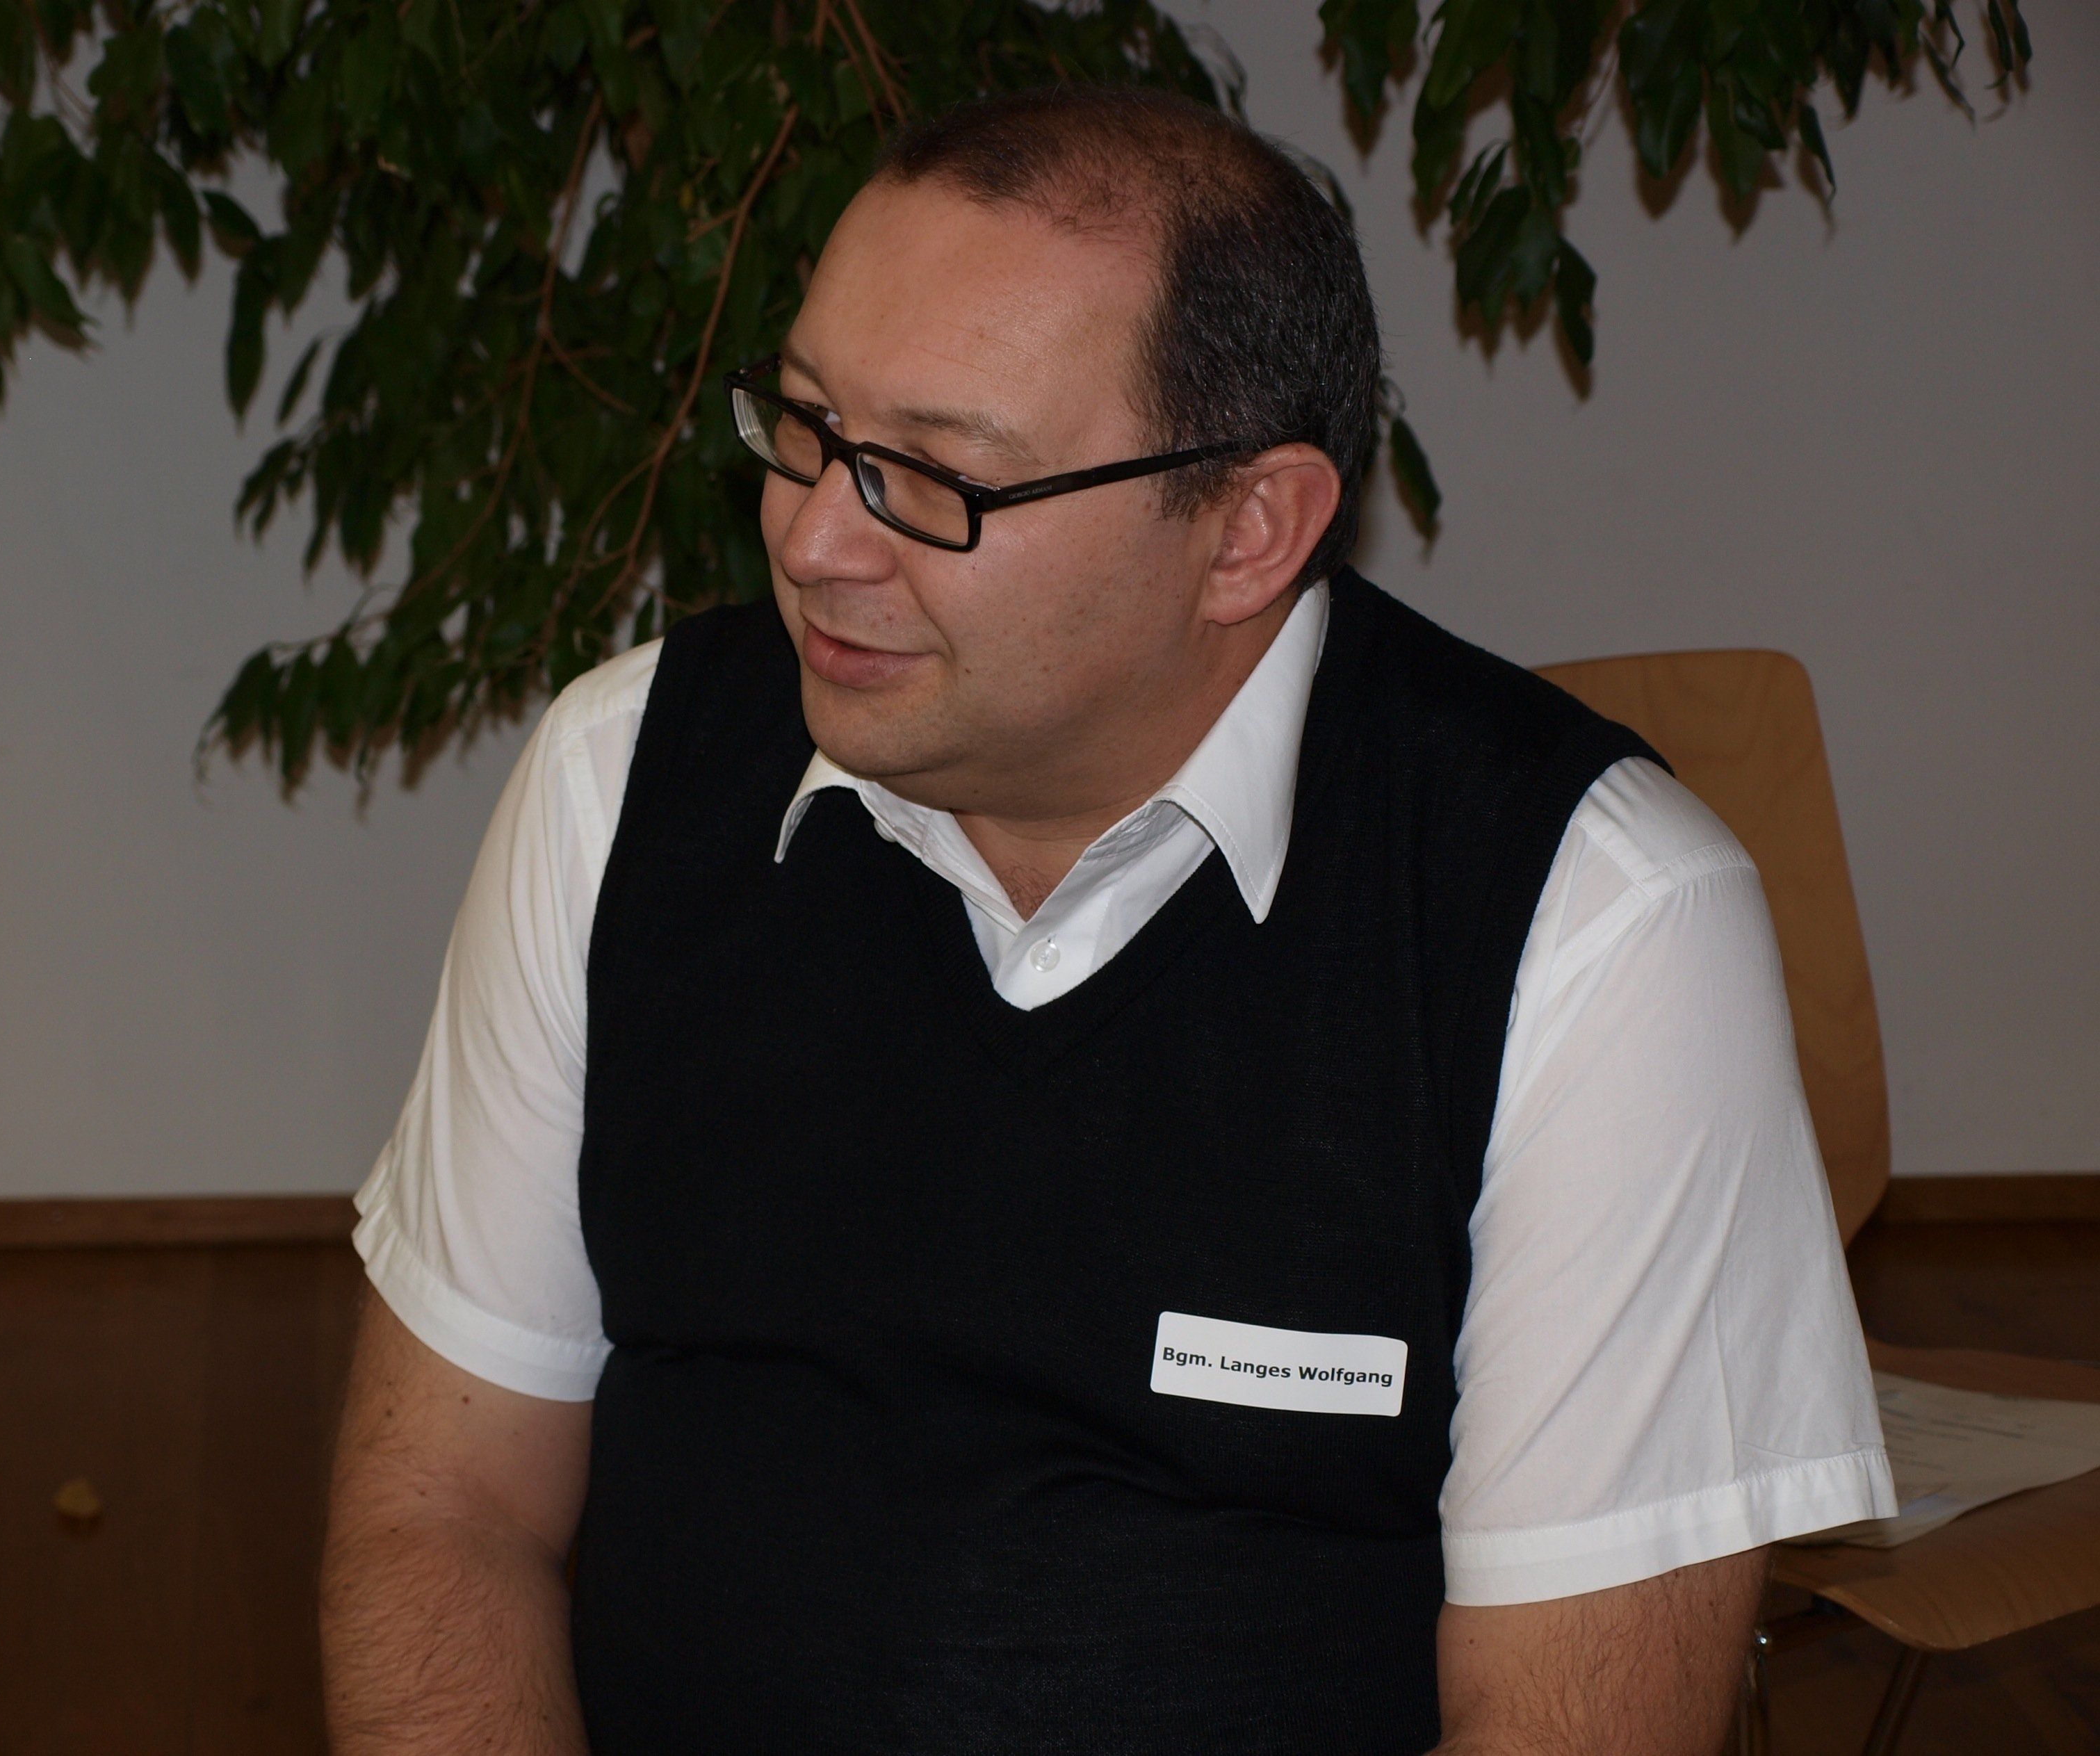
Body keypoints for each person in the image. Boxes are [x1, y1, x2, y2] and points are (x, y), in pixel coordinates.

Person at [320, 86, 1894, 1756]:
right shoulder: (623, 777)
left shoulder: (1591, 919)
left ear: (1245, 531)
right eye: (804, 423)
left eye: (934, 476)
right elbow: (443, 1516)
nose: (811, 536)